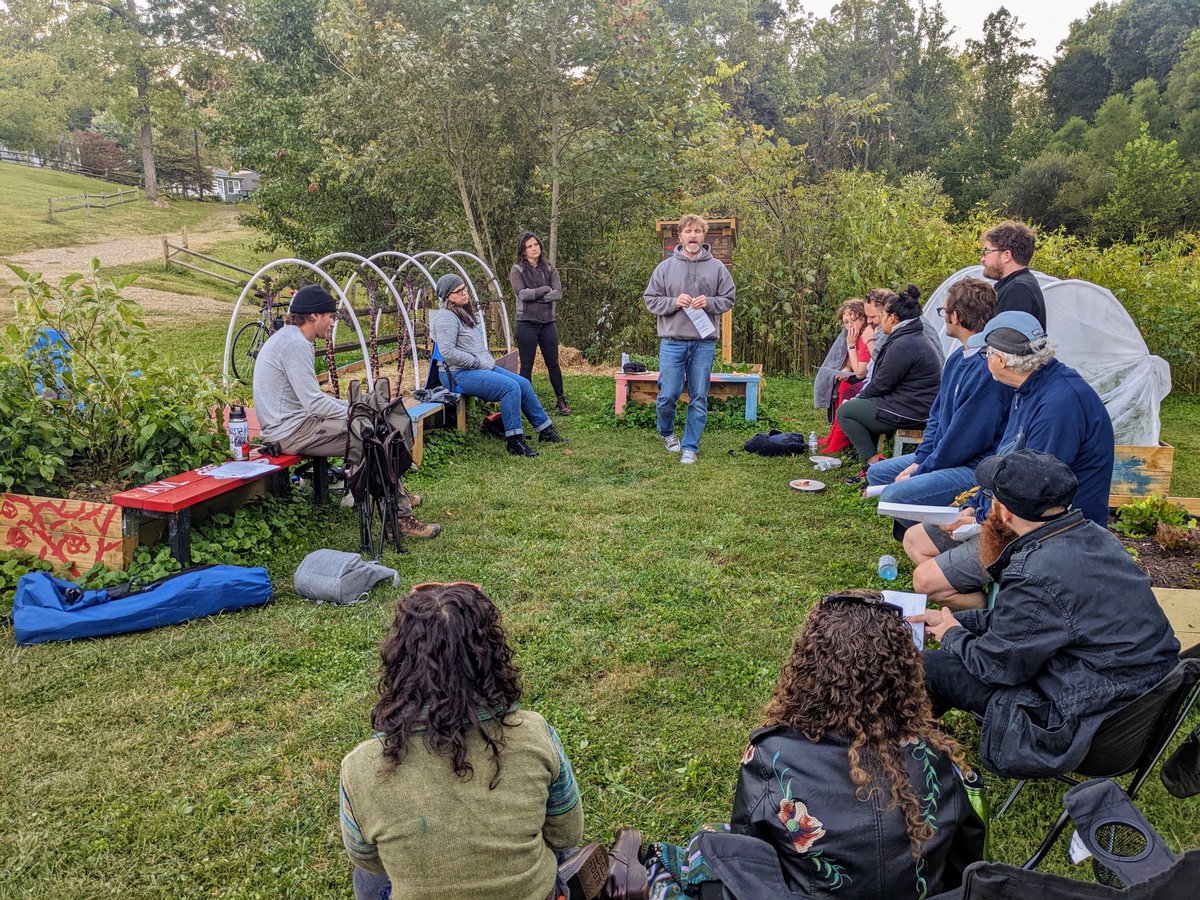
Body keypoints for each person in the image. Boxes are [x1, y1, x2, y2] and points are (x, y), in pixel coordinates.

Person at [644, 591, 984, 899]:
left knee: (701, 844)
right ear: (905, 675)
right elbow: (963, 865)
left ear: (808, 667)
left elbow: (749, 859)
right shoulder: (937, 757)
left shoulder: (770, 755)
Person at [912, 450, 1179, 779]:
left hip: (1085, 725)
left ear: (1004, 513)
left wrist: (952, 635)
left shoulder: (1035, 571)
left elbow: (996, 668)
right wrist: (956, 621)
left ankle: (909, 749)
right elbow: (1029, 625)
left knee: (930, 667)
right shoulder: (1097, 537)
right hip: (1131, 709)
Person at [340, 581, 606, 900]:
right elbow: (566, 834)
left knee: (367, 877)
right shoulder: (534, 733)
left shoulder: (359, 768)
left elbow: (366, 858)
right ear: (492, 656)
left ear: (399, 660)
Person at [903, 311, 1114, 610]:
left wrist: (979, 520)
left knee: (924, 581)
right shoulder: (1028, 385)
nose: (984, 358)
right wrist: (973, 506)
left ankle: (1003, 616)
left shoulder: (1058, 405)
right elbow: (1004, 460)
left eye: (987, 352)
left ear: (1000, 361)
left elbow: (1035, 491)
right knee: (914, 539)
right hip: (1012, 511)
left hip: (1049, 533)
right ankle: (994, 601)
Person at [252, 284, 439, 538]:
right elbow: (314, 403)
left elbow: (312, 402)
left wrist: (357, 409)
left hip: (293, 424)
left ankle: (395, 499)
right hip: (290, 431)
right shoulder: (294, 345)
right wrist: (357, 412)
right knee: (373, 436)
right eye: (330, 316)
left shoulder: (288, 338)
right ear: (313, 316)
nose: (332, 323)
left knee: (372, 429)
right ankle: (400, 519)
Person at [867, 278, 1012, 508]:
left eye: (945, 311)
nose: (944, 316)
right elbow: (936, 416)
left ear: (955, 316)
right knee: (877, 473)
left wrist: (923, 468)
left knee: (895, 494)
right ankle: (921, 524)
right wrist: (922, 459)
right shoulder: (957, 358)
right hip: (943, 455)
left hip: (972, 467)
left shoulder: (989, 368)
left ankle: (930, 536)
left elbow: (965, 440)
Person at [429, 273, 565, 458]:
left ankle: (546, 431)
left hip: (477, 367)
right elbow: (449, 353)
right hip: (456, 373)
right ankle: (514, 441)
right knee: (510, 388)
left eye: (464, 288)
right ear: (447, 296)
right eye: (458, 291)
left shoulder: (462, 311)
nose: (464, 293)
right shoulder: (446, 318)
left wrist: (482, 362)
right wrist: (477, 362)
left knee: (523, 384)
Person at [643, 214, 736, 465]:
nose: (693, 235)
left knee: (699, 396)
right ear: (680, 236)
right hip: (672, 341)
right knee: (668, 393)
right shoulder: (664, 268)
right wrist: (674, 302)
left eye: (697, 231)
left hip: (704, 343)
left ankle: (690, 446)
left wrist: (710, 302)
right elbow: (650, 299)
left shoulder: (717, 267)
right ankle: (666, 433)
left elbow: (728, 298)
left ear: (703, 235)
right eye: (688, 231)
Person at [836, 289, 942, 481]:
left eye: (881, 316)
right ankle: (872, 464)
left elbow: (881, 384)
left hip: (910, 410)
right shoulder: (910, 336)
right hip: (912, 404)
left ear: (893, 318)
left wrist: (858, 398)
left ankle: (874, 465)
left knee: (846, 412)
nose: (876, 321)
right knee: (859, 407)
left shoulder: (904, 343)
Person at [510, 231, 570, 416]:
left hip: (547, 323)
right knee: (526, 365)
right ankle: (523, 402)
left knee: (553, 363)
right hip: (526, 323)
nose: (534, 248)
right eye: (529, 246)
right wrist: (544, 290)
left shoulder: (549, 268)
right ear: (523, 250)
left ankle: (561, 399)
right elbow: (521, 294)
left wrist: (538, 297)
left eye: (536, 245)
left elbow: (558, 293)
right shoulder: (517, 270)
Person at [812, 299, 872, 454]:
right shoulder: (854, 336)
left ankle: (840, 438)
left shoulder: (866, 337)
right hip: (859, 374)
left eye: (853, 320)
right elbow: (850, 362)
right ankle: (834, 435)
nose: (850, 325)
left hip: (869, 378)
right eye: (846, 322)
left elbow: (860, 371)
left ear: (864, 319)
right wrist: (845, 369)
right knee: (841, 384)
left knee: (846, 388)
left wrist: (851, 345)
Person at [980, 220, 1046, 330]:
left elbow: (1004, 342)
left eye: (987, 252)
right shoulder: (1021, 283)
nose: (982, 259)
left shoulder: (1018, 290)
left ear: (1006, 255)